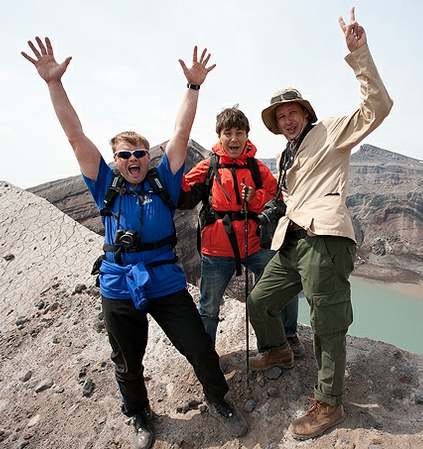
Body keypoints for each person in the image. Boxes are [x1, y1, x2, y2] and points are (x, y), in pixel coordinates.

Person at [21, 37, 247, 449]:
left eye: (140, 152)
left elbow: (181, 132)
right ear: (115, 160)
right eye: (124, 155)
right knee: (127, 361)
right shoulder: (104, 186)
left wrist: (193, 86)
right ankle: (140, 415)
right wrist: (54, 83)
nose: (133, 159)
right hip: (118, 283)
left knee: (198, 346)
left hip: (164, 281)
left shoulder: (164, 180)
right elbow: (76, 136)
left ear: (148, 155)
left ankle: (219, 400)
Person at [246, 7, 393, 440]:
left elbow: (378, 107)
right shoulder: (284, 155)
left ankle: (329, 403)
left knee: (326, 323)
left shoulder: (330, 131)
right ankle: (277, 352)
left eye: (292, 112)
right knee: (259, 301)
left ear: (305, 112)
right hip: (292, 240)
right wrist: (273, 209)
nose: (287, 119)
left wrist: (359, 54)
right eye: (280, 116)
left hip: (325, 239)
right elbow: (291, 195)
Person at [178, 106, 305, 358]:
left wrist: (255, 198)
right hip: (216, 252)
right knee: (209, 307)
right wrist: (172, 172)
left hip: (255, 246)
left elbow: (278, 200)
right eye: (228, 133)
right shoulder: (208, 167)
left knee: (288, 282)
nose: (234, 139)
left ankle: (289, 335)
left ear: (247, 135)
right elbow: (184, 198)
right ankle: (206, 357)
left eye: (239, 132)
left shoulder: (258, 169)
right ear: (219, 136)